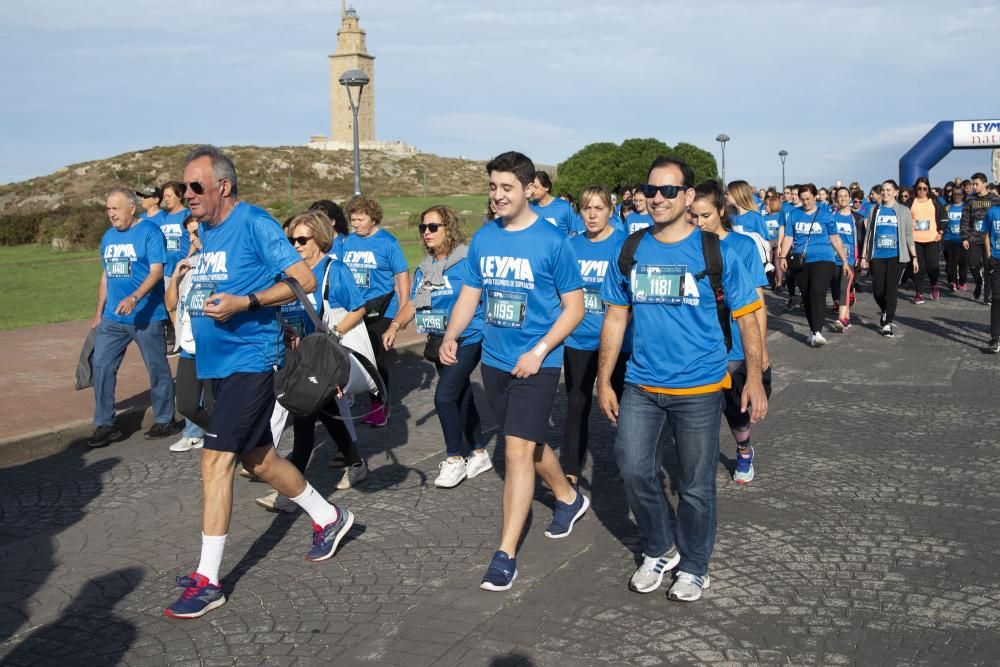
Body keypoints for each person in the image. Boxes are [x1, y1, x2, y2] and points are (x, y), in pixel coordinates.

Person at [164, 146, 354, 619]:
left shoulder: (255, 223)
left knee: (215, 463)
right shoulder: (205, 231)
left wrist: (246, 302)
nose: (186, 194)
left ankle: (209, 581)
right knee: (261, 459)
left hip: (250, 361)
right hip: (216, 363)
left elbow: (303, 279)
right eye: (184, 186)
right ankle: (330, 517)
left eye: (195, 186)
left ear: (222, 186)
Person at [598, 156, 767, 602]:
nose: (657, 198)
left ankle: (695, 565)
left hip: (699, 388)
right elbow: (615, 318)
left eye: (668, 191)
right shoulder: (631, 249)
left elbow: (749, 318)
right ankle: (660, 547)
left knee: (695, 486)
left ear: (688, 197)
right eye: (651, 190)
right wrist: (603, 380)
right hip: (641, 384)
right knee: (633, 469)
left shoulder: (718, 251)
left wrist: (753, 377)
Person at [440, 151, 588, 593]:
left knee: (517, 451)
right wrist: (452, 334)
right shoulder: (485, 238)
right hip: (495, 361)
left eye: (507, 187)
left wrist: (541, 351)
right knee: (529, 440)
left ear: (528, 189)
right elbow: (471, 292)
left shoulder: (553, 241)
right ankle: (568, 497)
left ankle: (504, 555)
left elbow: (574, 309)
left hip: (537, 364)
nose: (498, 195)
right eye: (492, 187)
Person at [255, 210, 369, 512]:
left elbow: (359, 308)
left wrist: (333, 333)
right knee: (325, 413)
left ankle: (290, 493)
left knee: (304, 422)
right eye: (291, 239)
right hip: (299, 358)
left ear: (319, 238)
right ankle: (355, 461)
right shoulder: (290, 275)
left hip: (323, 358)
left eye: (301, 239)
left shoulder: (334, 270)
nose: (295, 245)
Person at [390, 205, 491, 489]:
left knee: (444, 397)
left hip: (467, 338)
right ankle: (480, 452)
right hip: (437, 340)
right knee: (461, 395)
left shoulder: (468, 260)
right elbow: (414, 302)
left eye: (433, 227)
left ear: (449, 228)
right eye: (423, 228)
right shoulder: (426, 267)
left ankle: (455, 458)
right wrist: (395, 326)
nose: (427, 233)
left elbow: (481, 296)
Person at [689, 182, 770, 485]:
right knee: (699, 413)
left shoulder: (743, 246)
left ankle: (744, 448)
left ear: (721, 211)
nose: (699, 223)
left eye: (705, 215)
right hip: (699, 346)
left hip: (735, 346)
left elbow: (757, 303)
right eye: (693, 216)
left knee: (736, 412)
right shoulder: (688, 247)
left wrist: (760, 350)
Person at [87, 187, 181, 449]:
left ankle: (165, 418)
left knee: (157, 367)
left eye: (115, 208)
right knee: (102, 366)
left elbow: (156, 271)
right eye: (107, 209)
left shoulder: (149, 232)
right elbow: (106, 275)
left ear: (131, 207)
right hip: (112, 319)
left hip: (146, 315)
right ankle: (105, 424)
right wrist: (98, 312)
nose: (111, 214)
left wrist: (135, 298)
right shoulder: (108, 237)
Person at [562, 185, 629, 487]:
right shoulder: (571, 245)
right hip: (579, 341)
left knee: (625, 412)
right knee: (576, 406)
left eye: (598, 208)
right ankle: (570, 474)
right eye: (586, 208)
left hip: (619, 345)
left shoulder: (624, 244)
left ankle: (632, 468)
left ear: (610, 211)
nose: (591, 215)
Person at [341, 195, 412, 426]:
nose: (356, 224)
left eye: (361, 219)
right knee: (353, 356)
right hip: (354, 309)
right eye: (353, 220)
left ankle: (380, 407)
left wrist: (403, 308)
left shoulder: (387, 242)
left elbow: (402, 275)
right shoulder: (348, 242)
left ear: (373, 218)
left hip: (381, 310)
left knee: (376, 360)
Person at [776, 184, 851, 346]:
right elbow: (789, 237)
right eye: (802, 199)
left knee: (817, 292)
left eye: (808, 199)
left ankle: (817, 332)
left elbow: (835, 238)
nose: (805, 202)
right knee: (807, 295)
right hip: (800, 260)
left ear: (816, 196)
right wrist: (782, 256)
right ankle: (812, 330)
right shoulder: (794, 214)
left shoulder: (826, 215)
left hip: (824, 258)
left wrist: (845, 261)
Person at [165, 215, 212, 453]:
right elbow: (171, 304)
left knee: (216, 405)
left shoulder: (220, 262)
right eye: (190, 235)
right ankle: (222, 433)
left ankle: (226, 444)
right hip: (189, 346)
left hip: (213, 346)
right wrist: (175, 275)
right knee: (185, 404)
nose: (193, 239)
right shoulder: (190, 264)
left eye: (197, 233)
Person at [860, 180, 917, 338]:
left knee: (891, 290)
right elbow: (869, 235)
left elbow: (908, 235)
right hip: (877, 255)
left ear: (895, 192)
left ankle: (887, 323)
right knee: (878, 291)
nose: (885, 192)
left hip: (896, 257)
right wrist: (864, 256)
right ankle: (885, 310)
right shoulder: (874, 210)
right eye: (883, 190)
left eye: (888, 190)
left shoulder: (903, 211)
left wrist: (914, 257)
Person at [159, 182, 191, 351]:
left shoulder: (187, 214)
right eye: (164, 197)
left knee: (184, 303)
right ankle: (179, 337)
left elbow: (194, 236)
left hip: (185, 269)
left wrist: (188, 260)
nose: (166, 200)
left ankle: (188, 336)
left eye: (169, 196)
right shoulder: (162, 217)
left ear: (179, 196)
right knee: (170, 305)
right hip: (167, 270)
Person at [960, 173, 1000, 305]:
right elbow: (965, 219)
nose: (974, 186)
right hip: (974, 237)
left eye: (976, 184)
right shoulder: (969, 199)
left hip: (990, 238)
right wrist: (964, 237)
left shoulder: (995, 199)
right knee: (972, 264)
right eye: (973, 184)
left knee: (989, 266)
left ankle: (987, 296)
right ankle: (978, 282)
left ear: (985, 184)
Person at [908, 176, 948, 303]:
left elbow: (943, 217)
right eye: (919, 188)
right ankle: (919, 293)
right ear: (915, 189)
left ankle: (934, 284)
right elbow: (902, 217)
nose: (922, 191)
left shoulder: (934, 201)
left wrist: (941, 232)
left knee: (932, 266)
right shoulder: (910, 202)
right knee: (918, 267)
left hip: (932, 239)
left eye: (925, 188)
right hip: (915, 240)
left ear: (928, 189)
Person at [829, 187, 859, 331]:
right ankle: (846, 317)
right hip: (833, 259)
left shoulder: (856, 218)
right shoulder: (832, 216)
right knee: (836, 288)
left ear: (849, 198)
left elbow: (861, 238)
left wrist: (861, 257)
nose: (842, 198)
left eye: (845, 196)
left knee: (843, 287)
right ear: (836, 199)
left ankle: (841, 319)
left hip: (850, 259)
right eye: (839, 196)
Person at [530, 170, 579, 235]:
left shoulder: (564, 206)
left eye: (535, 187)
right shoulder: (529, 208)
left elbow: (574, 232)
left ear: (547, 187)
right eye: (531, 187)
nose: (532, 190)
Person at [944, 187, 967, 291]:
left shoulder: (966, 208)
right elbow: (942, 222)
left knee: (963, 262)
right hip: (950, 238)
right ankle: (953, 281)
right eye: (955, 194)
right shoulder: (948, 207)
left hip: (963, 239)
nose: (957, 196)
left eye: (959, 194)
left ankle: (962, 281)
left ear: (963, 195)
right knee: (952, 261)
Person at [985, 202, 1000, 352]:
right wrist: (989, 256)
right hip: (996, 259)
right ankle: (995, 337)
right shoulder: (992, 212)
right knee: (996, 298)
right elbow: (987, 234)